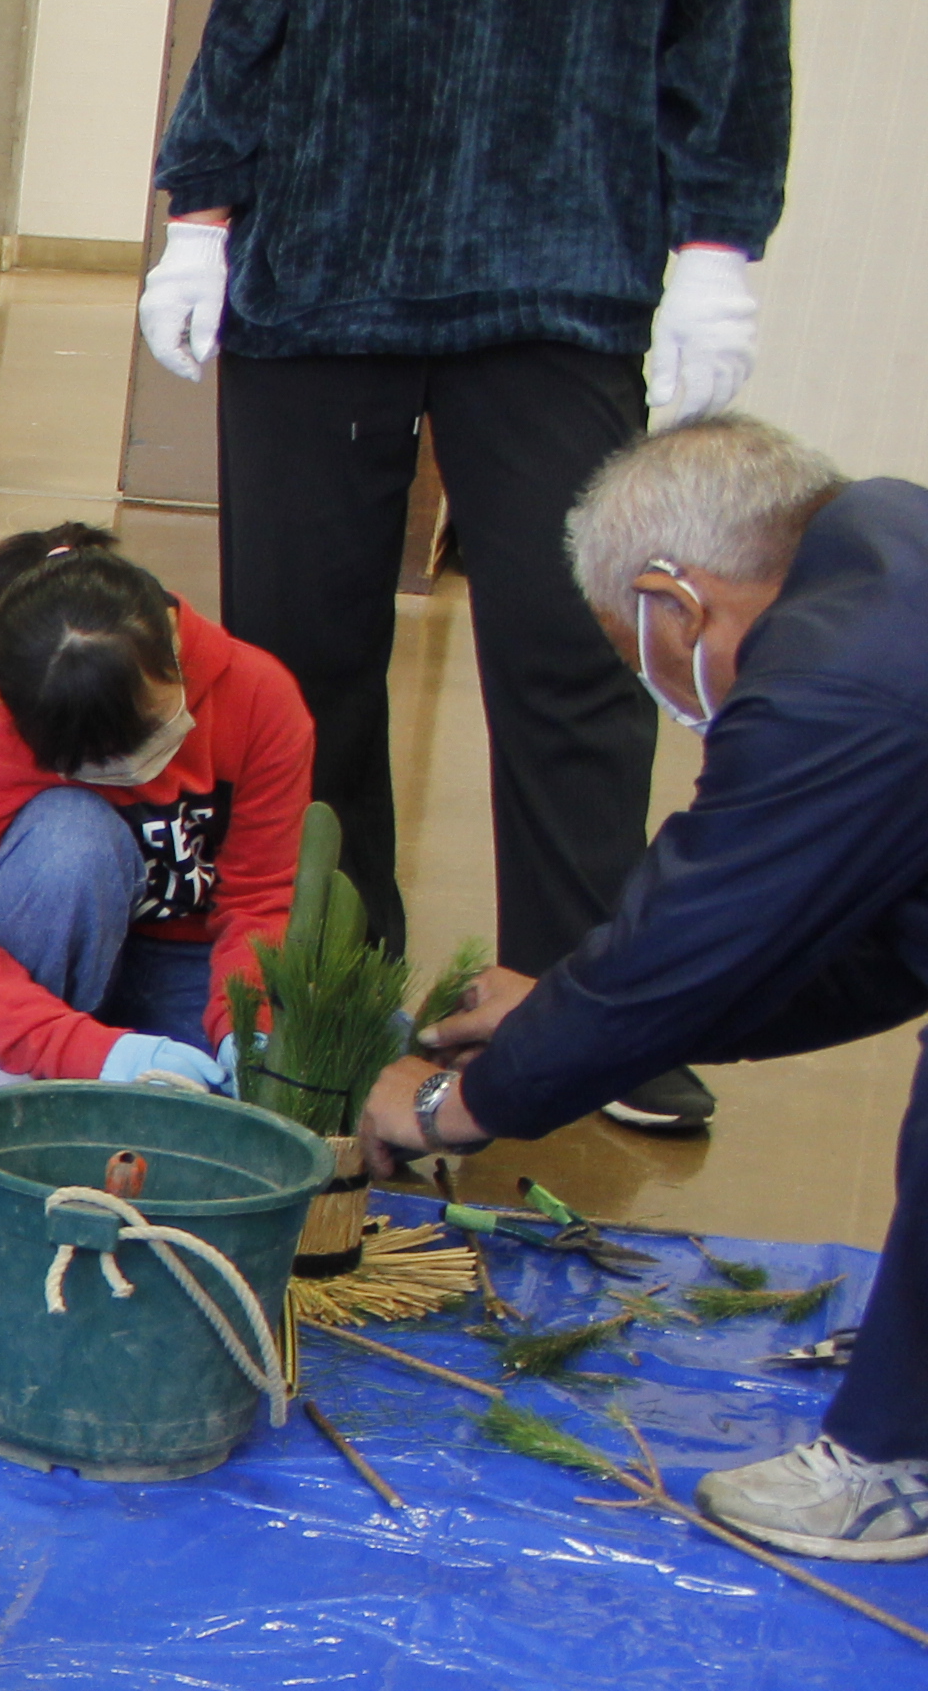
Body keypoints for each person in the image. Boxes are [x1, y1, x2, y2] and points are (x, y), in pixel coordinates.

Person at [141, 0, 791, 1134]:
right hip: (322, 250)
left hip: (561, 251)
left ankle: (589, 1000)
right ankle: (327, 975)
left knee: (576, 651)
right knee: (297, 654)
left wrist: (717, 239)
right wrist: (203, 203)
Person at [363, 419, 928, 1558]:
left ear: (675, 599)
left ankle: (894, 1461)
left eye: (639, 652)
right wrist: (567, 1004)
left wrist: (449, 1108)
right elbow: (861, 949)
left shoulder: (834, 683)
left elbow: (696, 939)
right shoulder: (884, 549)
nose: (654, 683)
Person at [0, 522, 313, 1093]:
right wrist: (79, 1051)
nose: (139, 768)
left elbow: (261, 898)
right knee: (69, 839)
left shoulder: (261, 696)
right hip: (46, 987)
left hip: (193, 971)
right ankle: (8, 1070)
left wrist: (248, 1025)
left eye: (148, 730)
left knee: (369, 1050)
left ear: (171, 641)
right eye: (99, 761)